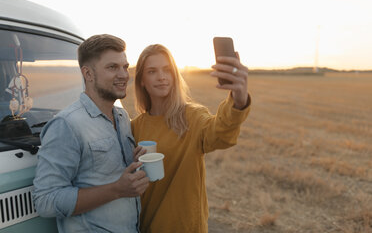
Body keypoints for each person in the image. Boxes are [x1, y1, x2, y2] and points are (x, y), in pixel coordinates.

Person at [33, 34, 149, 233]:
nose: (123, 74)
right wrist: (117, 189)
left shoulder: (122, 117)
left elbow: (105, 172)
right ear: (88, 74)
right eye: (112, 67)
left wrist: (135, 160)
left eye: (125, 66)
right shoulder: (67, 124)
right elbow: (45, 201)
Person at [131, 44, 251, 233]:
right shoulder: (135, 126)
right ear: (142, 81)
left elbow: (220, 134)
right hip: (146, 226)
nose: (161, 77)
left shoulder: (192, 117)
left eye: (167, 70)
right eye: (152, 71)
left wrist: (239, 100)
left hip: (186, 227)